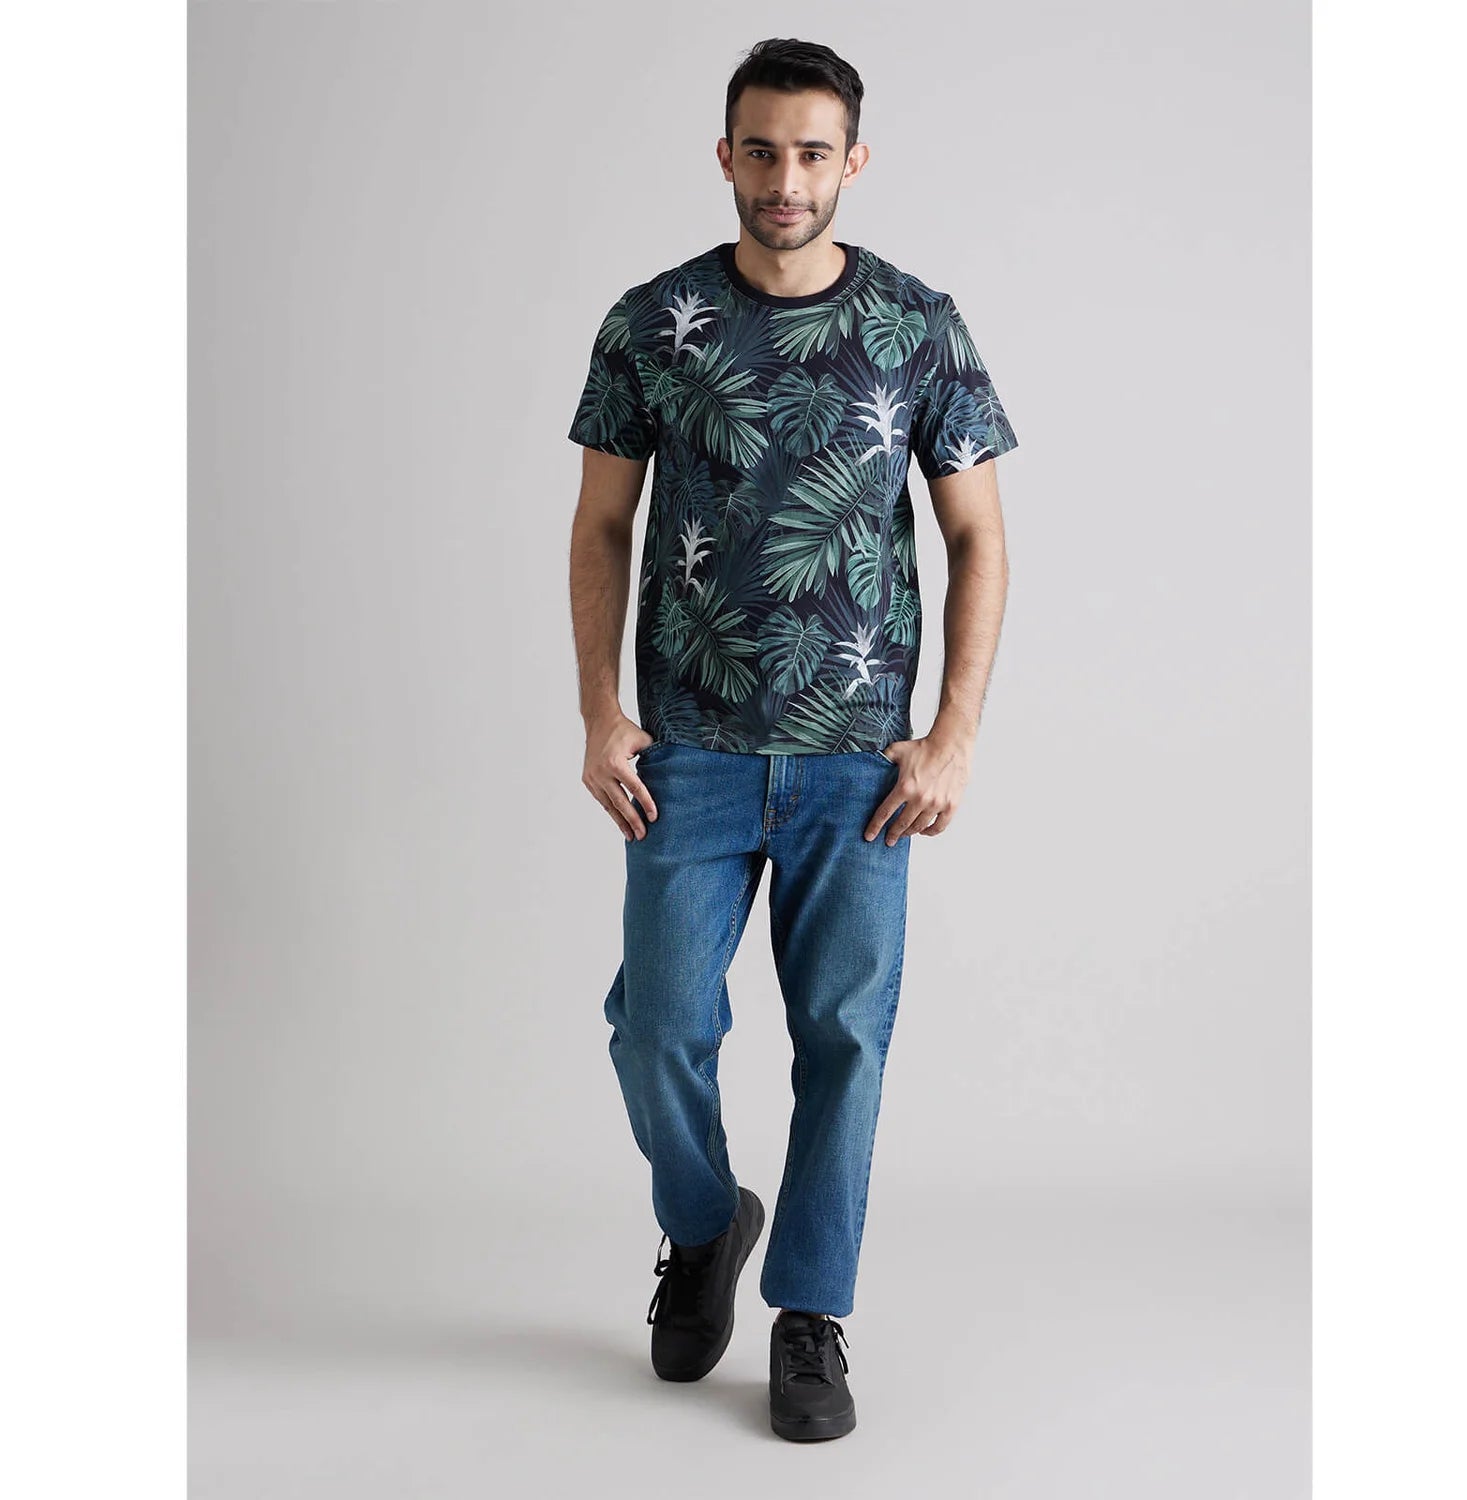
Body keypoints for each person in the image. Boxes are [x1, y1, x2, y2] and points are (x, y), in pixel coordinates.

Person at [565, 36, 1017, 1442]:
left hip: (858, 767)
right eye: (761, 149)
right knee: (656, 1024)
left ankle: (811, 1314)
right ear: (725, 155)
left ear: (853, 162)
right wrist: (599, 714)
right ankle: (706, 1223)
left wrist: (952, 735)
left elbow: (976, 536)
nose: (785, 178)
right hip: (689, 754)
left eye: (813, 152)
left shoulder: (919, 324)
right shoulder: (653, 322)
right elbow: (600, 524)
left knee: (844, 1040)